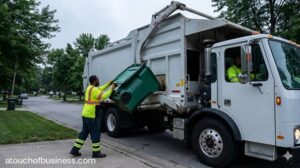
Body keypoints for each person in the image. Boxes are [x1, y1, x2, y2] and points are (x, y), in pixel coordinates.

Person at [70, 75, 115, 158]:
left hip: (85, 113)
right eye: (98, 80)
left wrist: (109, 84)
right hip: (92, 115)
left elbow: (100, 88)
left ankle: (74, 150)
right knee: (95, 134)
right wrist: (112, 88)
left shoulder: (89, 88)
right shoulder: (94, 90)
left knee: (84, 133)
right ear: (94, 81)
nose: (99, 81)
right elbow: (105, 96)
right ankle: (96, 153)